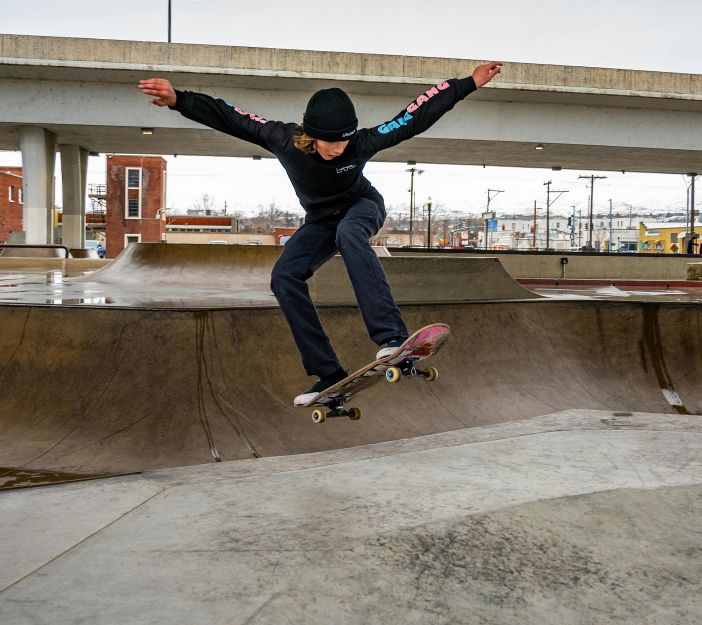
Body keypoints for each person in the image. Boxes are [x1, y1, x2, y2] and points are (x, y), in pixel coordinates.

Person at [138, 61, 503, 405]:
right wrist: (179, 99)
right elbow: (232, 117)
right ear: (311, 136)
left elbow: (413, 116)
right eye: (331, 143)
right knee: (284, 276)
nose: (339, 149)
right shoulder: (281, 138)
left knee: (349, 233)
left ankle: (392, 336)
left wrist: (467, 83)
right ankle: (327, 372)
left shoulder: (361, 143)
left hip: (363, 206)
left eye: (344, 142)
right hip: (320, 220)